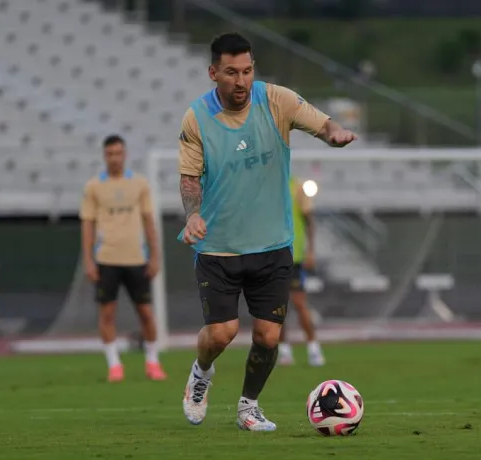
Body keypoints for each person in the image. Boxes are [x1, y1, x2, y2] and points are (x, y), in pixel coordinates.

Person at [177, 32, 357, 431]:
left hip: (273, 244)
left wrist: (335, 135)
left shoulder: (277, 100)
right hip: (219, 247)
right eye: (230, 73)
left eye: (247, 71)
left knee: (268, 336)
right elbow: (190, 180)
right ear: (213, 73)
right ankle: (200, 374)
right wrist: (192, 215)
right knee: (222, 333)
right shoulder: (196, 118)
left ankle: (248, 407)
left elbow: (322, 124)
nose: (241, 81)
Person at [80, 134, 166, 383]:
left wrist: (155, 256)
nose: (114, 158)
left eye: (118, 153)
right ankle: (114, 365)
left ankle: (152, 361)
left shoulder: (139, 184)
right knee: (107, 314)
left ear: (125, 154)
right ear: (104, 156)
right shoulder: (94, 187)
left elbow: (149, 221)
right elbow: (88, 225)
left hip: (136, 258)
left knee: (146, 313)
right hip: (106, 258)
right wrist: (88, 260)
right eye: (110, 154)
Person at [277, 177, 325, 367]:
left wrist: (310, 251)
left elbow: (309, 220)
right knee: (276, 308)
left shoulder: (296, 188)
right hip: (270, 258)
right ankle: (284, 351)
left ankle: (313, 347)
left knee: (299, 303)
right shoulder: (262, 188)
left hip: (293, 256)